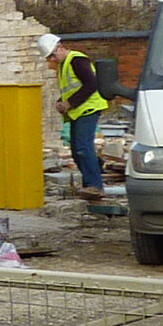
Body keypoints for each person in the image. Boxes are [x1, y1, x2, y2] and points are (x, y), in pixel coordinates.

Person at [39, 33, 114, 203]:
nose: (52, 59)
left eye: (53, 54)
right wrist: (62, 102)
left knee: (82, 147)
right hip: (78, 110)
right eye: (49, 57)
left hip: (89, 108)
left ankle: (95, 185)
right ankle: (94, 175)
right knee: (76, 149)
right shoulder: (64, 65)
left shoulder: (77, 60)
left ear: (60, 47)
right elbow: (71, 89)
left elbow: (91, 84)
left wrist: (70, 103)